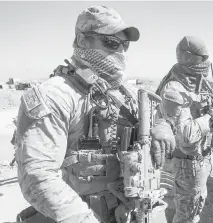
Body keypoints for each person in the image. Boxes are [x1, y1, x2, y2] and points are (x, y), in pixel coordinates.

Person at [14, 5, 174, 223]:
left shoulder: (121, 91)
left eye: (123, 45)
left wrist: (161, 126)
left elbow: (160, 110)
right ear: (82, 41)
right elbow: (37, 177)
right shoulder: (55, 95)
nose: (119, 52)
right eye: (110, 43)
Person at [154, 36, 213, 223]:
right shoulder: (173, 90)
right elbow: (185, 135)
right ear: (192, 58)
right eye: (203, 58)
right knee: (188, 217)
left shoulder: (197, 83)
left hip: (206, 158)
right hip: (188, 165)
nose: (206, 63)